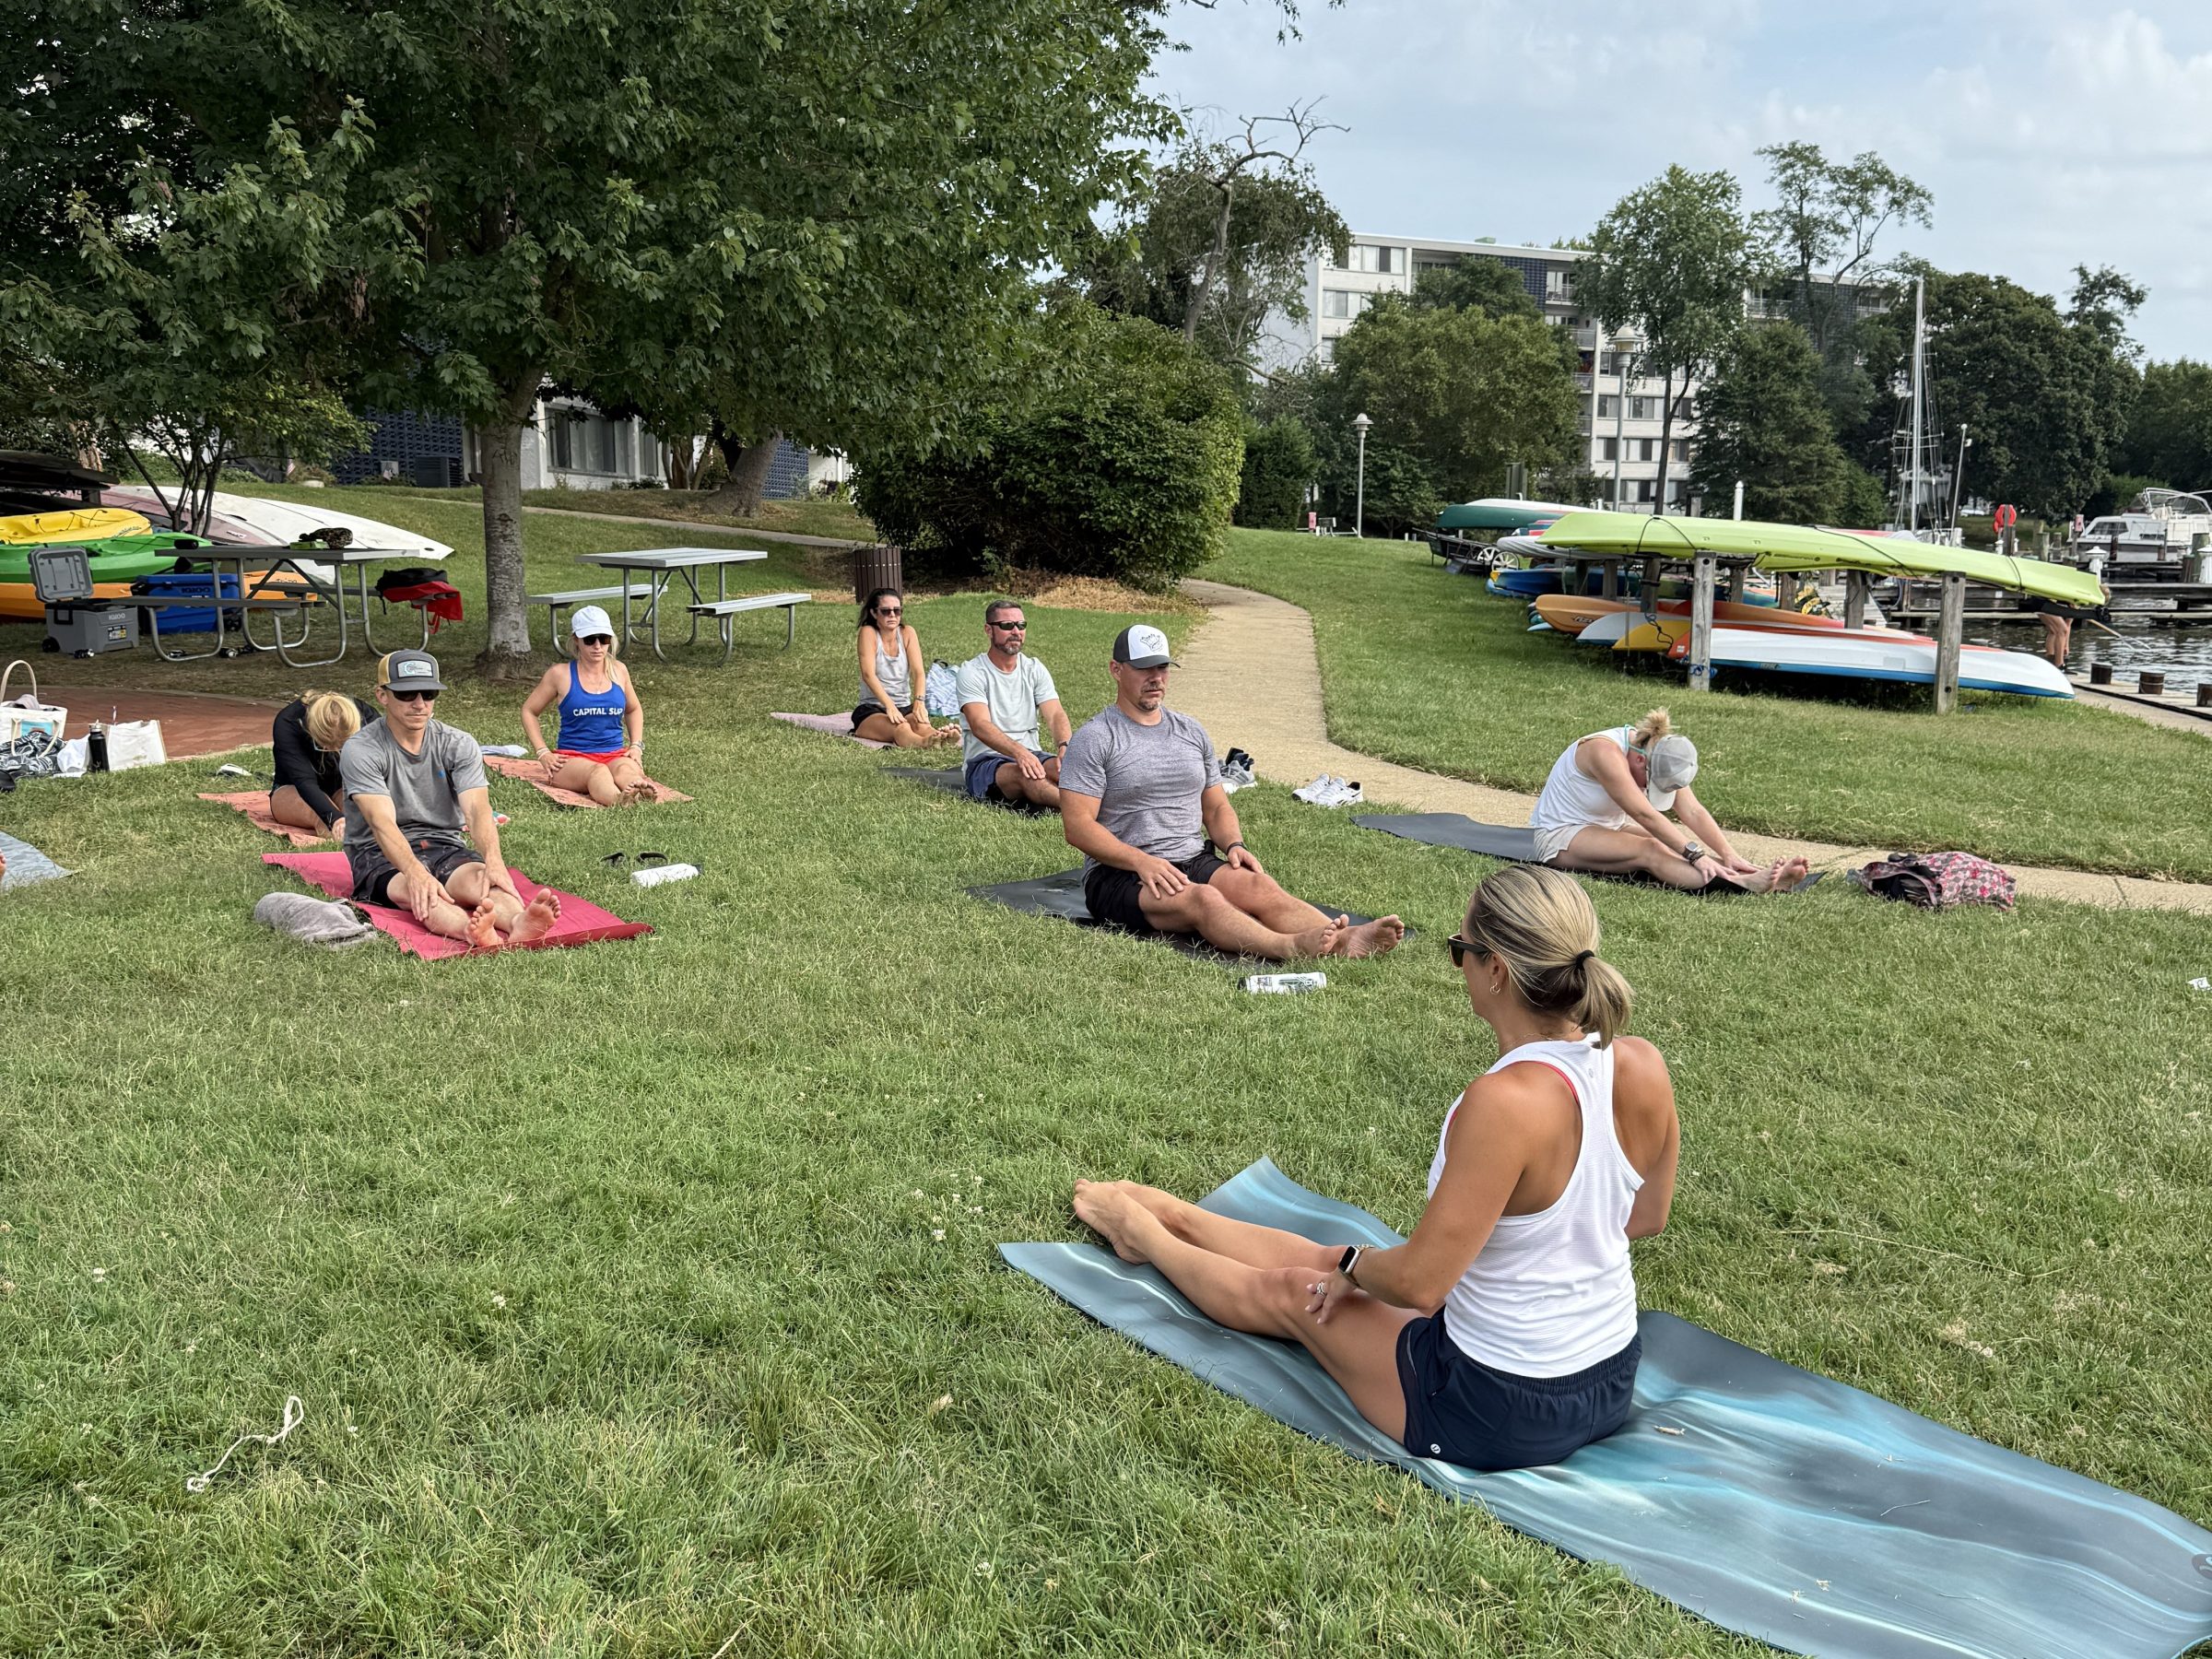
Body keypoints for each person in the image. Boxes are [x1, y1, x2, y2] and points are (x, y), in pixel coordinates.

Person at [1072, 864, 1678, 1473]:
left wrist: (1356, 1269)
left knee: (1300, 1293)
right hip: (1609, 1375)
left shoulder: (1506, 1103)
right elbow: (1646, 1217)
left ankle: (1142, 1235)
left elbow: (1420, 1286)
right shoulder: (1641, 1063)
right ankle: (1178, 1214)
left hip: (1495, 1406)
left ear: (1496, 969)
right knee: (1336, 1261)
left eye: (1457, 950)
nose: (1457, 964)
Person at [1059, 624, 1405, 959]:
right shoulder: (1096, 738)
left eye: (1162, 668)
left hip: (1191, 858)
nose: (1156, 678)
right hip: (1118, 876)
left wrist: (1234, 845)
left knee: (1259, 885)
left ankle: (1346, 940)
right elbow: (1078, 827)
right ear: (1116, 670)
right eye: (1144, 668)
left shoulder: (1190, 731)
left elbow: (1216, 808)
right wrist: (1142, 861)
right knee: (1204, 900)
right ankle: (1288, 947)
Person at [342, 649, 560, 947]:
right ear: (382, 696)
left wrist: (494, 862)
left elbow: (477, 810)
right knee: (418, 891)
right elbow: (381, 824)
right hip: (378, 853)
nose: (419, 704)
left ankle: (519, 922)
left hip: (443, 844)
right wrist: (416, 873)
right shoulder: (362, 749)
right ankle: (469, 930)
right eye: (406, 695)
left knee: (483, 879)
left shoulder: (458, 743)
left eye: (428, 694)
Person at [1528, 709, 1807, 893]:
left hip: (1606, 828)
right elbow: (1643, 813)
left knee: (1673, 843)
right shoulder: (1603, 752)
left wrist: (1728, 854)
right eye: (1652, 783)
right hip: (1559, 836)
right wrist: (1695, 855)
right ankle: (1740, 885)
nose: (1651, 788)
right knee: (1651, 848)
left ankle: (1751, 876)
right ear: (1640, 759)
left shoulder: (1661, 753)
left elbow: (1693, 811)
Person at [519, 606, 655, 805]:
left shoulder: (619, 671)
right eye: (590, 640)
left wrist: (636, 747)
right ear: (576, 640)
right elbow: (529, 710)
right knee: (597, 772)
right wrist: (543, 753)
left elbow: (633, 709)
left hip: (614, 753)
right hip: (571, 758)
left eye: (604, 638)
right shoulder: (560, 674)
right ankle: (618, 800)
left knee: (626, 770)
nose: (598, 646)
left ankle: (636, 787)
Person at [956, 599, 1071, 808]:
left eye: (1021, 625)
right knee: (1026, 775)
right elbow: (980, 725)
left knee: (1070, 770)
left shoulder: (1034, 668)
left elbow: (1055, 714)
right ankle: (1082, 812)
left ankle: (1108, 805)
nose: (1016, 631)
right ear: (988, 630)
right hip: (985, 760)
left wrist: (1065, 746)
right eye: (1007, 626)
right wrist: (1019, 753)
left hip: (1032, 754)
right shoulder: (972, 672)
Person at [851, 587, 959, 748]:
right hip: (872, 709)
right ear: (874, 613)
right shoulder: (868, 632)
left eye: (897, 610)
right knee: (901, 728)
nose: (893, 615)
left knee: (921, 725)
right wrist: (889, 706)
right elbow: (868, 674)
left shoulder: (907, 633)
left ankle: (941, 738)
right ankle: (923, 743)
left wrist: (919, 703)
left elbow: (919, 673)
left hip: (903, 706)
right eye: (886, 611)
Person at [269, 689, 377, 837]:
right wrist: (334, 819)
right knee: (325, 822)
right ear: (311, 731)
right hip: (293, 788)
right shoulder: (289, 721)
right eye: (324, 746)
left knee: (365, 820)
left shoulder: (367, 717)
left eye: (343, 746)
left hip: (346, 785)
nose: (334, 752)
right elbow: (304, 781)